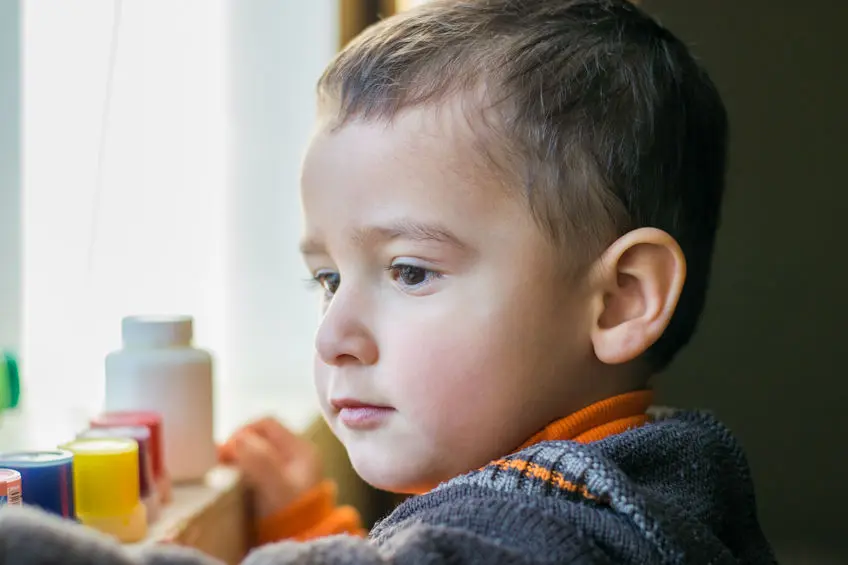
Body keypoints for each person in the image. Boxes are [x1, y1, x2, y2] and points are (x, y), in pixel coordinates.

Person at [0, 0, 778, 563]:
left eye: (410, 270)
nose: (334, 336)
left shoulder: (545, 535)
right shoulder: (666, 485)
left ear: (619, 299)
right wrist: (311, 523)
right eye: (328, 279)